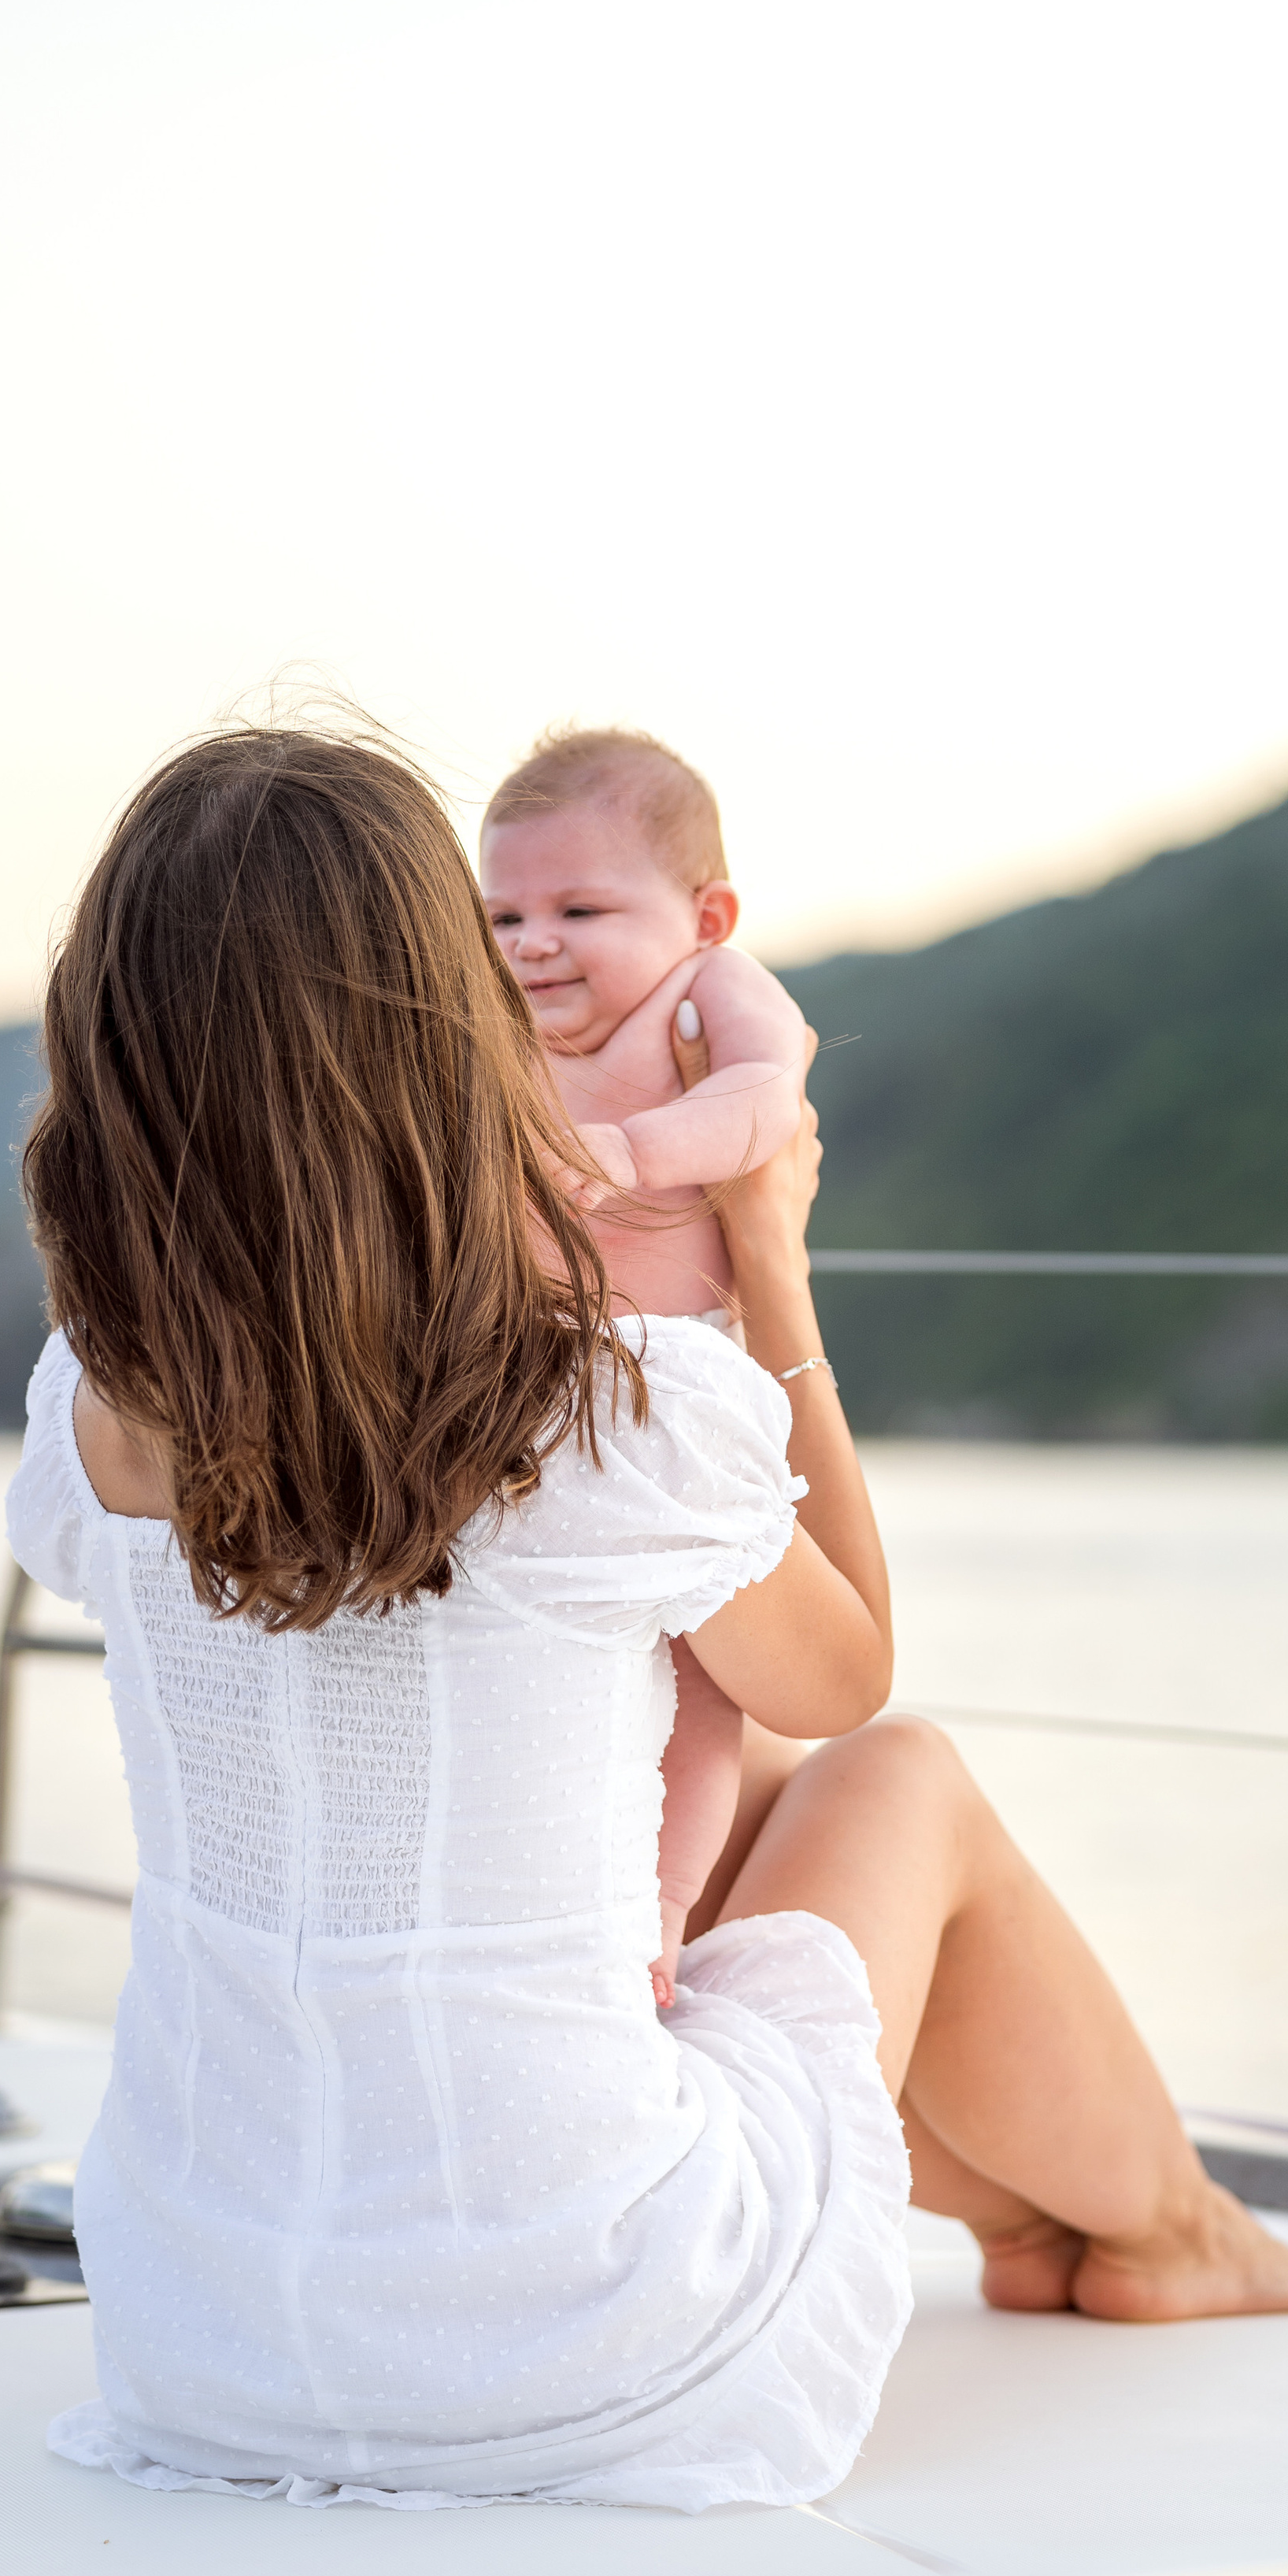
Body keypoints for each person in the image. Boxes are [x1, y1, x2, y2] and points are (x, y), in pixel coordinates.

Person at [11, 724, 1288, 2526]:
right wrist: (768, 1260)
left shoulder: (89, 1411)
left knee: (740, 1796)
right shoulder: (594, 1402)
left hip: (205, 2336)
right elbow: (847, 1665)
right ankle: (1174, 2229)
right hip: (575, 2343)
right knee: (889, 1779)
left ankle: (1041, 2221)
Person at [482, 727, 804, 2002]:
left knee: (705, 1684)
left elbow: (766, 1100)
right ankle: (539, 1896)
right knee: (558, 1665)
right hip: (523, 1388)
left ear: (704, 915)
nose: (532, 944)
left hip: (674, 1385)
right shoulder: (497, 1032)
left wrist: (635, 1151)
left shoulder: (710, 993)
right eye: (503, 916)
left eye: (578, 910)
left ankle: (661, 1914)